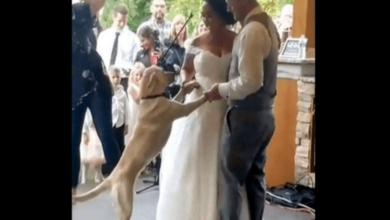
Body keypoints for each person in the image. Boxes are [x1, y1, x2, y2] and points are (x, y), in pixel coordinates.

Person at [155, 0, 236, 219]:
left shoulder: (237, 42)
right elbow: (186, 70)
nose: (205, 20)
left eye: (210, 15)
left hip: (224, 104)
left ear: (221, 15)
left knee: (220, 157)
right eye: (203, 15)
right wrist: (186, 82)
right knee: (193, 156)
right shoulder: (195, 42)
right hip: (198, 101)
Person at [204, 0, 280, 219]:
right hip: (266, 114)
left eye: (230, 2)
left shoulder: (251, 31)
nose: (228, 8)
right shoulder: (267, 24)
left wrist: (220, 89)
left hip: (245, 117)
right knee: (256, 178)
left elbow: (251, 81)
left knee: (231, 181)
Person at [72, 2, 121, 196]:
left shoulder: (78, 10)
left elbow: (98, 2)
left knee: (106, 133)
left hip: (95, 82)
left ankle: (119, 180)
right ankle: (73, 192)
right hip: (74, 87)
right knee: (72, 137)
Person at [97, 5, 140, 75]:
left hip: (123, 77)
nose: (122, 24)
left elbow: (136, 60)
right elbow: (98, 57)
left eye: (124, 21)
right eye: (119, 21)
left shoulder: (133, 38)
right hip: (105, 75)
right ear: (114, 17)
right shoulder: (103, 36)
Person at [161, 14, 189, 98]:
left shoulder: (189, 44)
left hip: (186, 83)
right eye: (177, 24)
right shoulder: (168, 44)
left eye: (182, 23)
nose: (180, 26)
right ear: (173, 27)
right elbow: (164, 64)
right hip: (172, 84)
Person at [107, 66, 131, 155]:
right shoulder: (106, 93)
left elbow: (127, 109)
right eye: (113, 77)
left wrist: (127, 124)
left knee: (120, 144)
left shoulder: (123, 94)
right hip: (110, 124)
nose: (116, 80)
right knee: (109, 145)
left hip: (120, 124)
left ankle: (119, 163)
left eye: (117, 77)